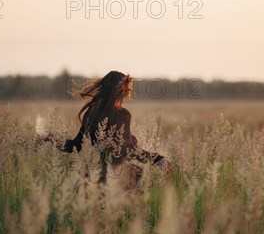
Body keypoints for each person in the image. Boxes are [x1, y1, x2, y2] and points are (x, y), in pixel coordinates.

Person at [38, 71, 173, 178]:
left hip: (89, 178)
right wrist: (158, 159)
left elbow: (76, 145)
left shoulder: (91, 112)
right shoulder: (123, 115)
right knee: (137, 176)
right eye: (126, 89)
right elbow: (129, 151)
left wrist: (49, 137)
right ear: (122, 91)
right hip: (115, 181)